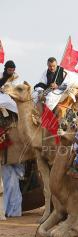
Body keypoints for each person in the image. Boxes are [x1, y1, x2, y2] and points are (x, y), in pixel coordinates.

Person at [0, 60, 24, 217]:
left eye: (12, 69)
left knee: (11, 180)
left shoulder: (16, 81)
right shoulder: (2, 80)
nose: (11, 71)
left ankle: (13, 211)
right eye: (9, 69)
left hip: (13, 126)